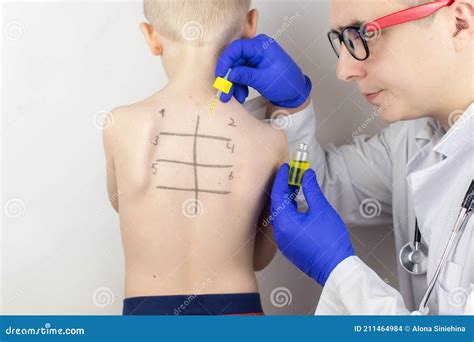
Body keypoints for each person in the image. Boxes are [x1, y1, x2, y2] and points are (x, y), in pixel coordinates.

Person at [215, 0, 473, 314]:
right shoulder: (415, 135)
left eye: (366, 34)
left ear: (458, 23)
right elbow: (319, 190)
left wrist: (339, 271)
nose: (343, 70)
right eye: (343, 40)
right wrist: (291, 107)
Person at [102, 0, 290, 315]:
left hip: (146, 316)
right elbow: (258, 259)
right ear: (250, 27)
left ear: (151, 36)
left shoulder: (119, 125)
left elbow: (122, 204)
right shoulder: (271, 140)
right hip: (239, 313)